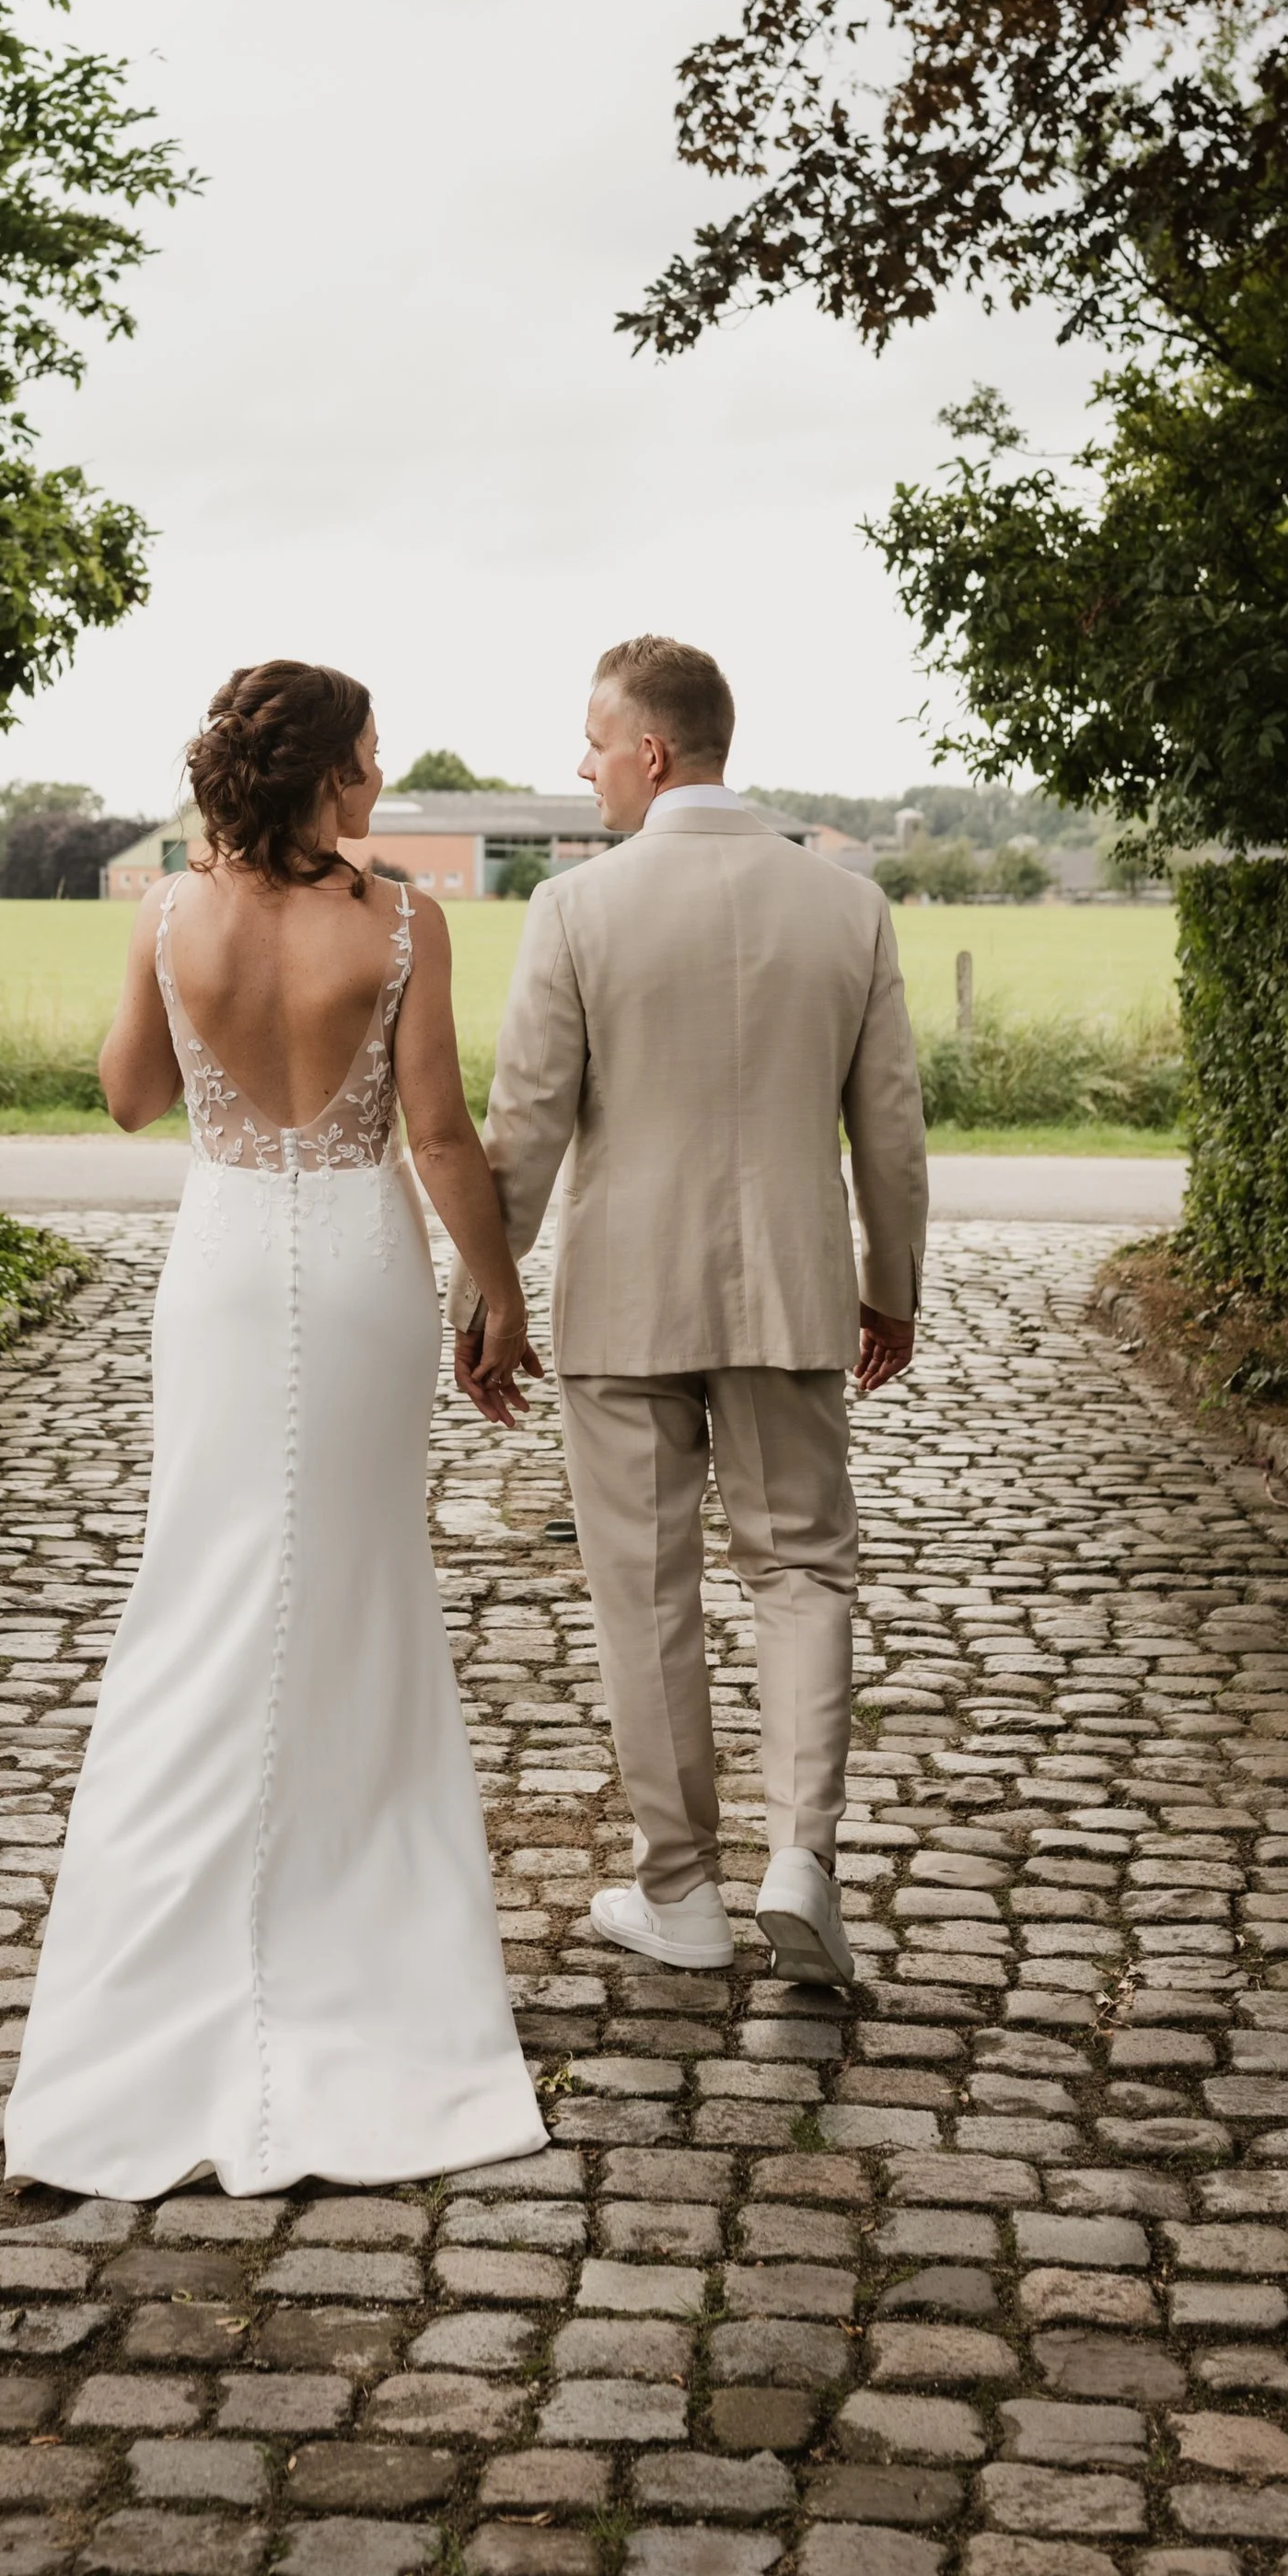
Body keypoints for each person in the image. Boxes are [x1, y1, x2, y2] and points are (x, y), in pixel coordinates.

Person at [3, 659, 547, 2197]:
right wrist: (497, 1289)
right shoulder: (400, 923)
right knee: (356, 1594)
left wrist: (188, 987)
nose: (378, 789)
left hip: (228, 1267)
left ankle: (151, 1984)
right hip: (365, 1269)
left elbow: (124, 1097)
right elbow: (437, 1128)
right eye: (364, 766)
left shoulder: (171, 912)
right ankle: (360, 1945)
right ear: (309, 771)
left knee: (201, 1594)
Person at [451, 635, 927, 1987]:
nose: (582, 764)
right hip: (789, 1295)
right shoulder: (848, 907)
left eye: (593, 740)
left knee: (644, 1595)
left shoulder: (578, 911)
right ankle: (803, 1862)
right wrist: (889, 1284)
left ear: (651, 751)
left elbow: (524, 1128)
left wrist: (486, 1300)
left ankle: (683, 1897)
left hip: (626, 1305)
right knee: (803, 1571)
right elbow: (888, 1127)